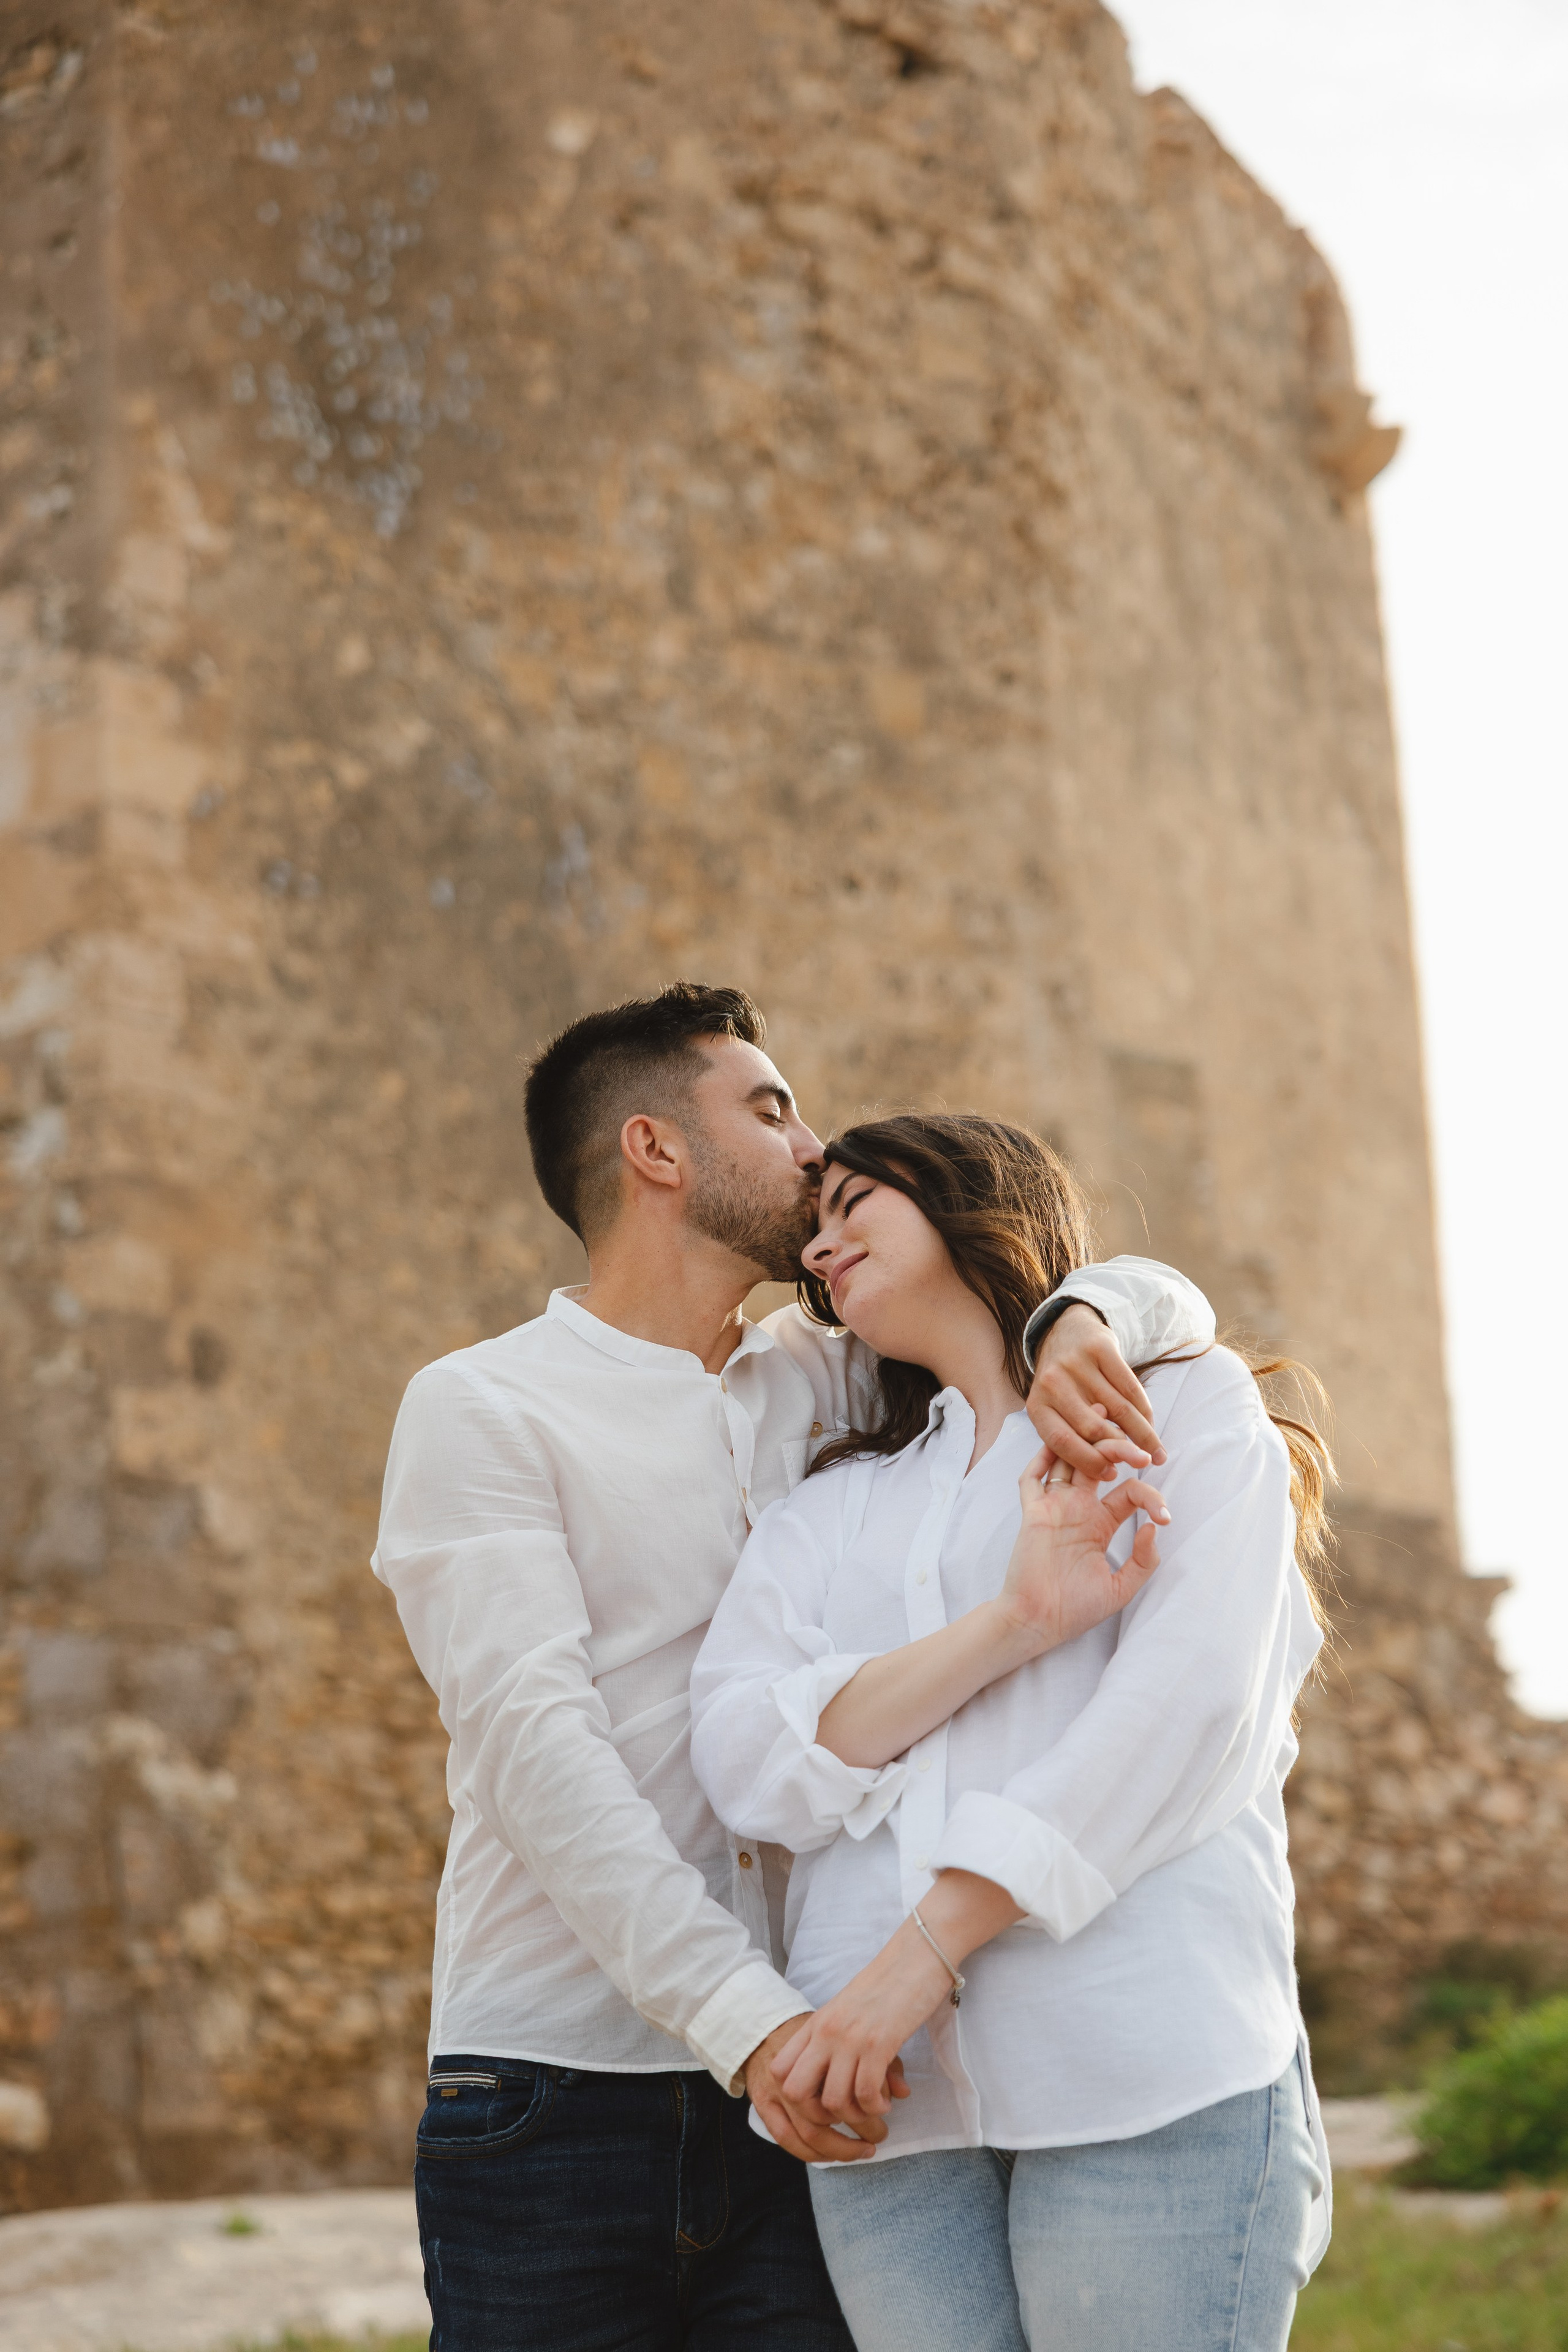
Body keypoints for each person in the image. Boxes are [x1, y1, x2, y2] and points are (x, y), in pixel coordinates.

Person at [373, 982, 1217, 2352]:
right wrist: (751, 2027)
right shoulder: (481, 1407)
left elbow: (1151, 1293)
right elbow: (538, 1754)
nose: (814, 1149)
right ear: (656, 1151)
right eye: (770, 1110)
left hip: (820, 2093)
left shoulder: (822, 1380)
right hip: (559, 2087)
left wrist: (1080, 1319)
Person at [690, 1111, 1333, 2352]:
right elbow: (744, 1764)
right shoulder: (829, 1506)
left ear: (967, 1197)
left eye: (852, 1208)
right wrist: (1015, 1625)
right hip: (885, 2116)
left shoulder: (1176, 1407)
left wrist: (914, 1958)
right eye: (809, 1236)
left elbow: (1181, 1712)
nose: (819, 1253)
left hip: (1142, 2067)